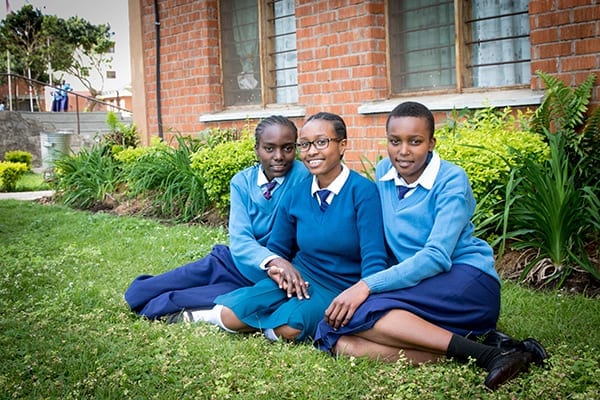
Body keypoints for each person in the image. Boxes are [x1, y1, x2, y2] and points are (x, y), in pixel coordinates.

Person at [314, 101, 547, 390]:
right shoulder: (384, 172)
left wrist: (366, 286)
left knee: (360, 313)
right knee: (336, 335)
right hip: (421, 286)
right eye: (395, 141)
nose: (403, 151)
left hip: (467, 281)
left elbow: (436, 256)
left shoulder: (451, 180)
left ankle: (487, 354)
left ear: (431, 143)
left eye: (415, 141)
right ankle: (485, 351)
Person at [192, 112, 389, 342]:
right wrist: (278, 271)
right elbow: (278, 247)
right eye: (305, 145)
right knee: (229, 314)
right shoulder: (296, 193)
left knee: (291, 327)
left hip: (340, 286)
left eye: (322, 142)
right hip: (299, 277)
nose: (312, 151)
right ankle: (209, 316)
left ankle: (266, 326)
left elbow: (374, 257)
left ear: (343, 145)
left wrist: (361, 293)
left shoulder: (363, 192)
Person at [124, 115, 310, 319]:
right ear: (256, 149)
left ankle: (155, 307)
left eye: (288, 148)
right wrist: (273, 260)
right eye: (269, 148)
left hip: (266, 277)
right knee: (158, 285)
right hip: (233, 260)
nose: (279, 156)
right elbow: (240, 238)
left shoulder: (302, 176)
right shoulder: (242, 182)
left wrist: (278, 265)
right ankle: (138, 294)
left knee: (180, 299)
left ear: (296, 148)